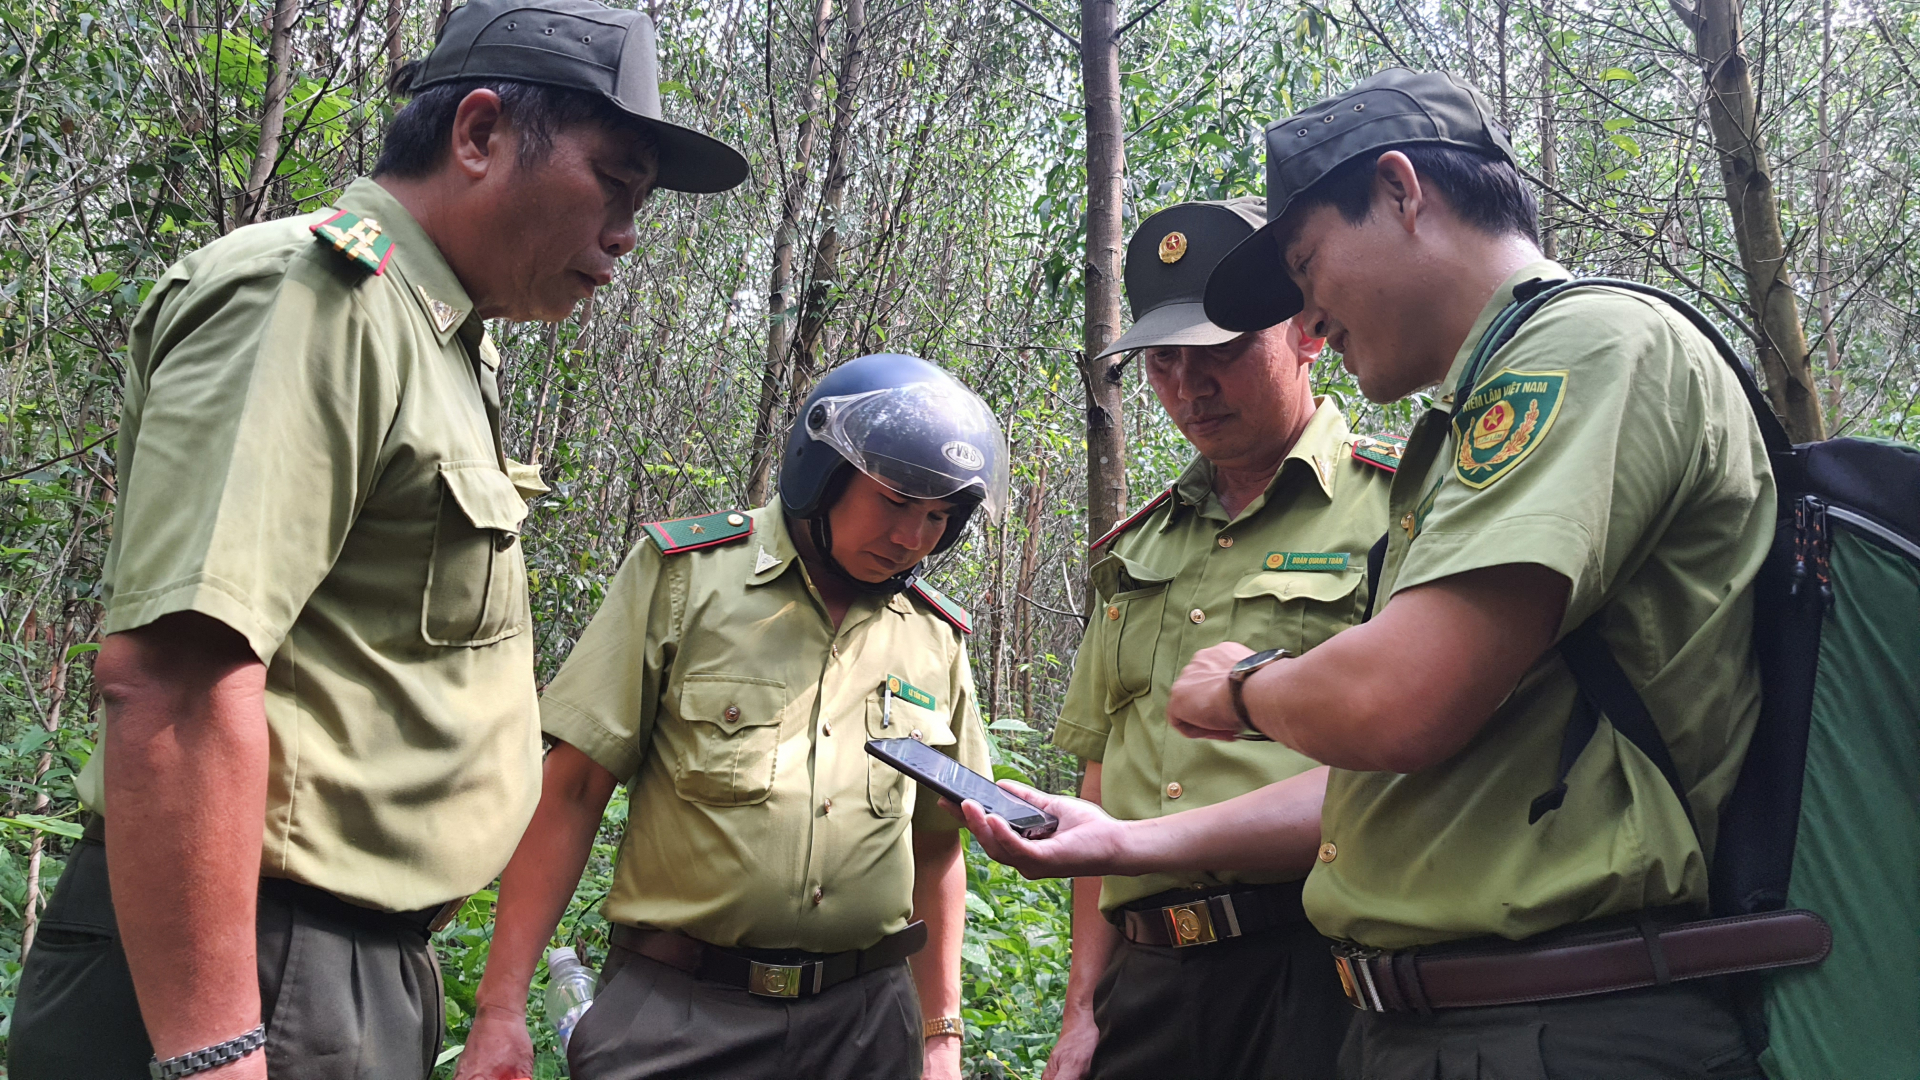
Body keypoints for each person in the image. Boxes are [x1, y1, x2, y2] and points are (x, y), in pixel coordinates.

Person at [973, 68, 1775, 1079]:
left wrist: (1247, 686)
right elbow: (1384, 787)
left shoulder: (1586, 348)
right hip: (1447, 1017)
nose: (1311, 305)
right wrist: (1126, 847)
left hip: (1562, 1013)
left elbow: (1401, 699)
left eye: (1307, 264)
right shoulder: (1479, 414)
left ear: (1401, 192)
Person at [6, 4, 746, 1078]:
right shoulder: (312, 300)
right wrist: (214, 1051)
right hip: (251, 961)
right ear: (480, 134)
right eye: (616, 184)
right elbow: (175, 682)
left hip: (343, 967)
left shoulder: (439, 339)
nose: (628, 232)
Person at [453, 353, 1007, 1080]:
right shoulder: (687, 577)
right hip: (680, 1011)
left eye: (939, 515)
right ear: (823, 473)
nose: (914, 538)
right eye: (896, 501)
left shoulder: (933, 635)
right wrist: (500, 1009)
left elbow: (937, 847)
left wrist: (940, 1039)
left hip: (867, 1026)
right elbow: (574, 789)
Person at [996, 198, 1399, 1080]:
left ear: (1307, 329)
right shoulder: (1136, 550)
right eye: (1163, 361)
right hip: (1147, 981)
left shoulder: (1399, 509)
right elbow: (1104, 776)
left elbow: (1406, 752)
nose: (1188, 387)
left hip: (1319, 966)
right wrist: (1082, 1011)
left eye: (1220, 351)